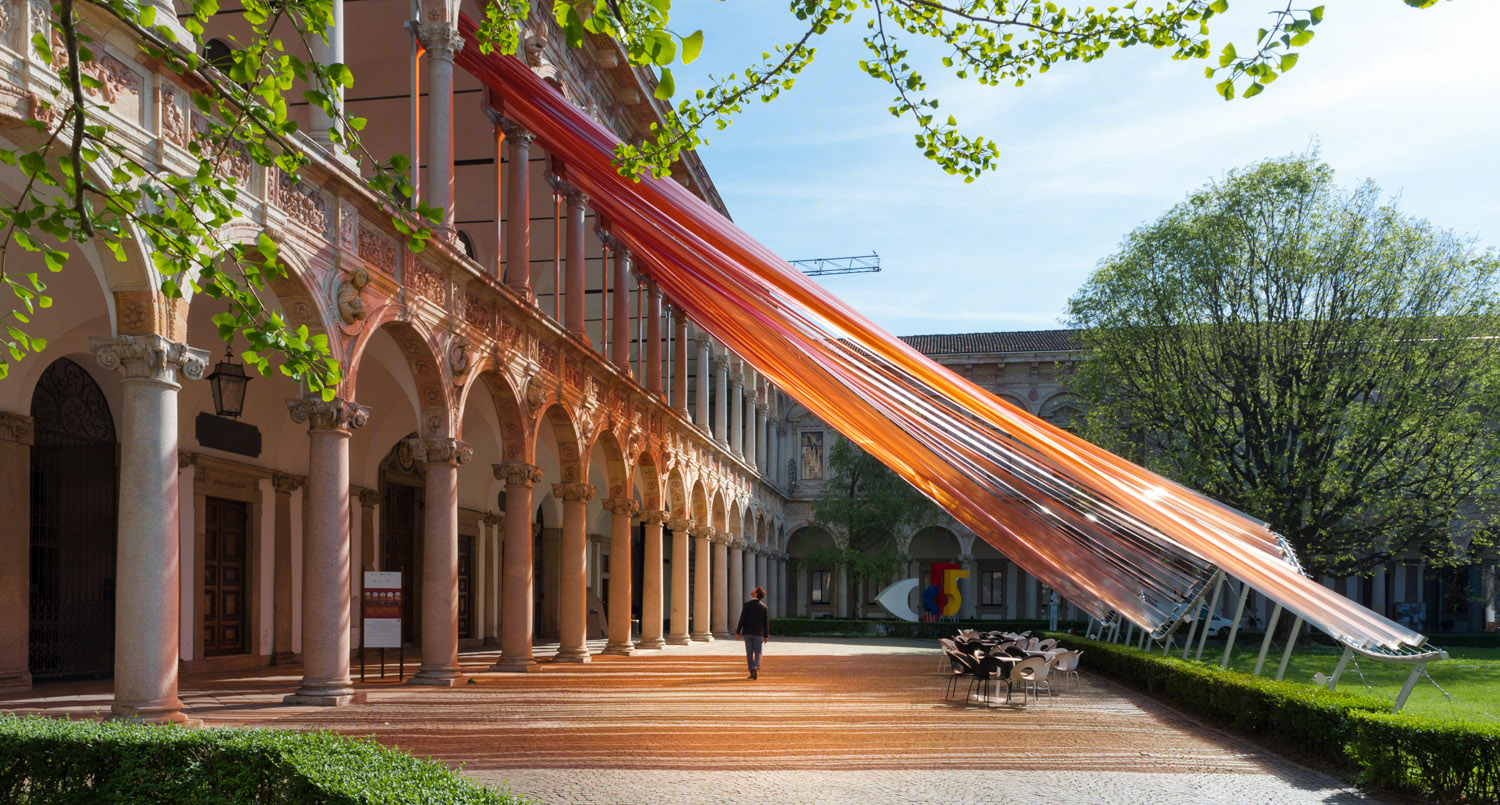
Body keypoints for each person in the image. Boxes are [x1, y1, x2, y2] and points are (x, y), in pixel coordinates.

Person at [735, 586, 770, 679]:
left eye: (754, 590)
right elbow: (766, 622)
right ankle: (756, 667)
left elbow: (742, 619)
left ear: (756, 593)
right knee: (758, 652)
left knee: (749, 653)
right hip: (758, 633)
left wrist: (738, 631)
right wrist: (766, 635)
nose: (753, 590)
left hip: (748, 633)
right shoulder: (764, 607)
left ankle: (751, 671)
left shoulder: (747, 605)